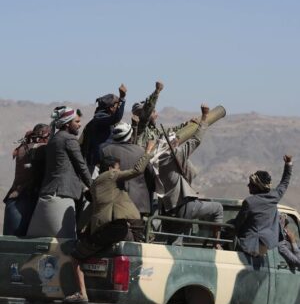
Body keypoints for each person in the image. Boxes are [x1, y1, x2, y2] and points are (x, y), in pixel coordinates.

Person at [64, 141, 155, 303]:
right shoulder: (110, 175)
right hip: (114, 229)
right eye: (118, 168)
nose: (119, 171)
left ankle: (83, 291)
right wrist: (147, 151)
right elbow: (137, 170)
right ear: (111, 168)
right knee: (75, 257)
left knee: (82, 253)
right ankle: (82, 294)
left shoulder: (96, 184)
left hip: (110, 229)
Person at [153, 104, 223, 247]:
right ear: (172, 144)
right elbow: (196, 140)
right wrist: (204, 117)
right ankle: (217, 243)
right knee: (218, 208)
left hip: (168, 209)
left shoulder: (155, 159)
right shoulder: (174, 155)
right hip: (184, 206)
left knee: (176, 242)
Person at [27, 106, 92, 239]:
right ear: (67, 123)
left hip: (47, 195)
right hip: (61, 196)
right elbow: (81, 166)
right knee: (66, 244)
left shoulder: (54, 139)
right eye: (77, 122)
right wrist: (93, 186)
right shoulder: (69, 139)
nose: (79, 125)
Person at [230, 155, 293, 256]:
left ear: (257, 186)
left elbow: (238, 223)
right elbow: (284, 182)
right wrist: (288, 164)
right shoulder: (275, 196)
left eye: (251, 184)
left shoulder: (249, 202)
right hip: (268, 245)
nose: (248, 185)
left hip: (250, 248)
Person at [3, 123, 50, 235]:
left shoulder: (23, 148)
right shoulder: (41, 149)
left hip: (15, 200)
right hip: (27, 199)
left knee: (11, 245)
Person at [100, 121, 155, 215]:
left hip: (113, 205)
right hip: (138, 204)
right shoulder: (141, 151)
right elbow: (150, 175)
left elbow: (103, 175)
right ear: (130, 136)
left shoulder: (105, 151)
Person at [80, 84, 127, 172]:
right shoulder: (100, 117)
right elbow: (116, 118)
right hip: (97, 163)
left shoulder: (103, 117)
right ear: (111, 107)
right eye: (117, 106)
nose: (117, 108)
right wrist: (122, 99)